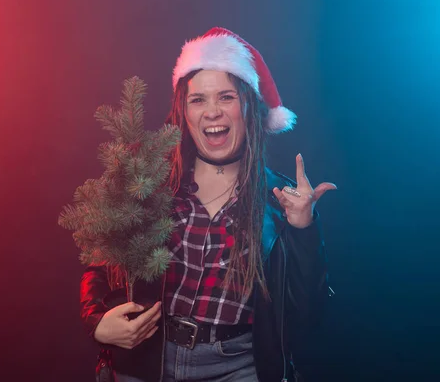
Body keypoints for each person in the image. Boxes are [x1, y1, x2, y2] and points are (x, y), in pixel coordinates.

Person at [80, 27, 336, 382]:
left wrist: (304, 229)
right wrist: (97, 321)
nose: (212, 112)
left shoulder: (283, 201)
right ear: (183, 112)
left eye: (226, 97)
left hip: (238, 367)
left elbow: (307, 314)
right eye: (198, 100)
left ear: (248, 108)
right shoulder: (154, 184)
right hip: (147, 362)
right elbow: (99, 267)